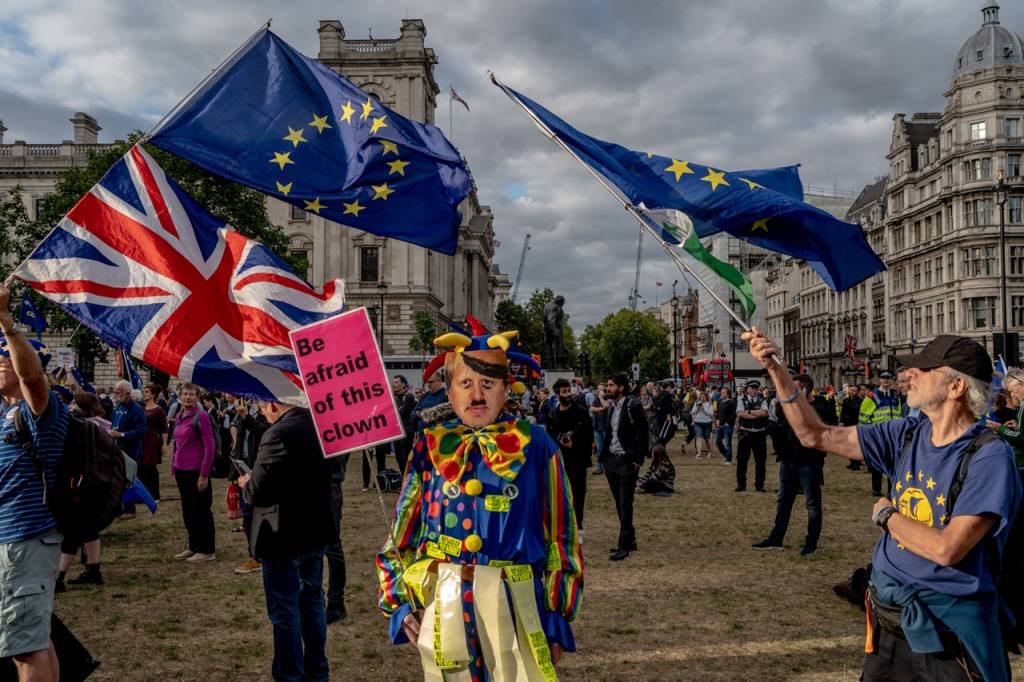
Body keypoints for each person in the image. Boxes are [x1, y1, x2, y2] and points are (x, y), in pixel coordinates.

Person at [746, 329, 1021, 680]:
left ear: (956, 387)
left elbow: (947, 549)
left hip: (949, 633)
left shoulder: (989, 456)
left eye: (924, 370)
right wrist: (775, 369)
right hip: (891, 618)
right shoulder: (907, 433)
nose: (909, 375)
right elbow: (815, 435)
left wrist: (887, 516)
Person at [376, 326, 581, 679]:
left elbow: (562, 537)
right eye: (466, 384)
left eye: (487, 385)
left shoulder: (538, 446)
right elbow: (401, 532)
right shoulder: (429, 445)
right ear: (450, 391)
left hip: (517, 604)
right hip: (446, 603)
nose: (476, 396)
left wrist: (555, 615)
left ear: (505, 390)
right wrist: (400, 600)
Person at [238, 400, 334, 682]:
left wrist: (246, 483)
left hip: (284, 534)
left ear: (272, 405)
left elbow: (256, 489)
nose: (263, 415)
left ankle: (291, 674)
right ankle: (318, 671)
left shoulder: (279, 433)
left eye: (262, 408)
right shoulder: (322, 423)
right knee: (313, 603)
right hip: (315, 528)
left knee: (286, 612)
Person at [0, 285, 67, 682]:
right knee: (34, 640)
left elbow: (33, 377)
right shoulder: (6, 412)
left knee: (25, 648)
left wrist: (7, 323)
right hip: (14, 540)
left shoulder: (39, 409)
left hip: (23, 539)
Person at [753, 374, 837, 556]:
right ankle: (776, 538)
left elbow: (825, 425)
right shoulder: (790, 407)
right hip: (789, 459)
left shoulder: (821, 406)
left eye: (797, 389)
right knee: (783, 501)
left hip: (810, 461)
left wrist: (803, 404)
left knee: (812, 503)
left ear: (806, 389)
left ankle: (811, 543)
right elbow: (781, 424)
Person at [56, 392, 111, 592]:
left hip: (81, 483)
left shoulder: (81, 427)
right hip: (98, 483)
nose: (71, 406)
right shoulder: (100, 424)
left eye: (73, 403)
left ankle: (58, 577)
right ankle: (94, 570)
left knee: (72, 531)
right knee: (89, 527)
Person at [603, 372, 649, 560]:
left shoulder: (633, 405)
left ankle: (624, 544)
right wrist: (604, 458)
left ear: (621, 387)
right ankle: (629, 539)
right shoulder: (612, 407)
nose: (608, 388)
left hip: (628, 461)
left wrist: (638, 460)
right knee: (618, 502)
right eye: (608, 385)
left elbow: (643, 433)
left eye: (612, 385)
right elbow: (610, 433)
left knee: (625, 502)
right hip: (612, 461)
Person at [171, 383, 217, 562]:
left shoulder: (202, 416)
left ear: (197, 397)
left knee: (201, 511)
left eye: (191, 394)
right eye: (185, 394)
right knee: (188, 511)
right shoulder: (180, 415)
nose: (188, 397)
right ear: (180, 396)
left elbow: (210, 446)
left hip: (196, 471)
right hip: (182, 471)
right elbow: (178, 443)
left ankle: (207, 549)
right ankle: (194, 545)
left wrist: (204, 474)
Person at [546, 377, 594, 529]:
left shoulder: (580, 411)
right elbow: (550, 435)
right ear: (557, 393)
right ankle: (562, 524)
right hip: (559, 460)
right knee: (560, 493)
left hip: (577, 460)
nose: (567, 394)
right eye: (564, 391)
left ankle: (577, 524)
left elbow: (588, 434)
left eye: (569, 391)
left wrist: (575, 443)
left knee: (577, 493)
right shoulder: (553, 414)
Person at [860, 370, 905, 497]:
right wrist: (867, 433)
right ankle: (876, 489)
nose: (886, 380)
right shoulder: (872, 396)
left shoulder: (895, 396)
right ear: (880, 380)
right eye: (883, 378)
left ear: (891, 380)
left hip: (893, 435)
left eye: (888, 378)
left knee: (892, 463)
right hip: (878, 434)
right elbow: (863, 417)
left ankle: (891, 490)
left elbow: (899, 414)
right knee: (877, 462)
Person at [109, 379, 146, 518]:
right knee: (118, 479)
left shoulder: (136, 409)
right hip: (117, 448)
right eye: (115, 392)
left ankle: (130, 509)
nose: (116, 394)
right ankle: (118, 508)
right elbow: (113, 422)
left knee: (129, 479)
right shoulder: (118, 407)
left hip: (131, 449)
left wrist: (122, 434)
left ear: (127, 393)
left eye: (119, 392)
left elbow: (142, 430)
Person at [735, 380, 770, 492]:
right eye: (752, 388)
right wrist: (756, 415)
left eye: (756, 388)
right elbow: (740, 413)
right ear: (747, 389)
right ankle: (741, 484)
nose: (754, 390)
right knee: (742, 460)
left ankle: (759, 484)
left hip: (759, 433)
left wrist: (749, 411)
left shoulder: (763, 400)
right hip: (745, 433)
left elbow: (764, 413)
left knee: (760, 460)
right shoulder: (741, 399)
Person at [140, 384, 167, 502]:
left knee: (151, 468)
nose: (144, 393)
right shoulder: (142, 408)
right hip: (142, 439)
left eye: (146, 391)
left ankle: (155, 495)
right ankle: (144, 494)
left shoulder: (159, 410)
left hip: (152, 440)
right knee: (141, 467)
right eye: (144, 391)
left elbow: (164, 428)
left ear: (153, 394)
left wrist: (165, 444)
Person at [392, 375, 417, 474]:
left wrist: (393, 412)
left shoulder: (409, 396)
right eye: (393, 382)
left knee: (406, 455)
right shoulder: (392, 396)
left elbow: (401, 413)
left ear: (403, 384)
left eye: (397, 382)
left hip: (407, 429)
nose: (394, 384)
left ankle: (410, 477)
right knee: (398, 456)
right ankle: (404, 477)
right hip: (396, 429)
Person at [840, 383, 865, 470]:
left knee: (855, 444)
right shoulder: (846, 400)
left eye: (854, 391)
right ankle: (851, 461)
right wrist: (841, 421)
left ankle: (856, 463)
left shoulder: (860, 401)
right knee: (848, 444)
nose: (851, 392)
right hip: (847, 424)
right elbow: (843, 412)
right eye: (850, 390)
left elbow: (857, 411)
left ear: (857, 391)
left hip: (855, 424)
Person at [591, 382, 609, 475]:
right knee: (599, 449)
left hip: (606, 427)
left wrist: (601, 398)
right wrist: (601, 409)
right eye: (598, 389)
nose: (599, 391)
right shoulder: (595, 399)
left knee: (608, 448)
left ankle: (608, 468)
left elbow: (607, 405)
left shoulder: (608, 398)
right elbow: (592, 409)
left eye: (601, 389)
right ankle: (600, 467)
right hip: (597, 427)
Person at [689, 391, 715, 458]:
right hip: (698, 422)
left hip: (707, 423)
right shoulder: (697, 403)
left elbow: (711, 414)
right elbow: (692, 412)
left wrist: (704, 409)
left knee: (707, 438)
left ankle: (709, 451)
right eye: (701, 397)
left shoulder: (709, 404)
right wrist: (697, 409)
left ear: (706, 398)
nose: (702, 398)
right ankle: (699, 453)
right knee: (698, 437)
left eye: (703, 397)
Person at [715, 387, 737, 464]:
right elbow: (718, 412)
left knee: (728, 443)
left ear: (728, 393)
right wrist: (717, 419)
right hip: (720, 425)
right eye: (721, 392)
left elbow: (734, 414)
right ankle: (726, 455)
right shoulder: (719, 401)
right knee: (717, 442)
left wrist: (728, 422)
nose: (722, 393)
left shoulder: (731, 402)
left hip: (728, 426)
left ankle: (728, 460)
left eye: (724, 392)